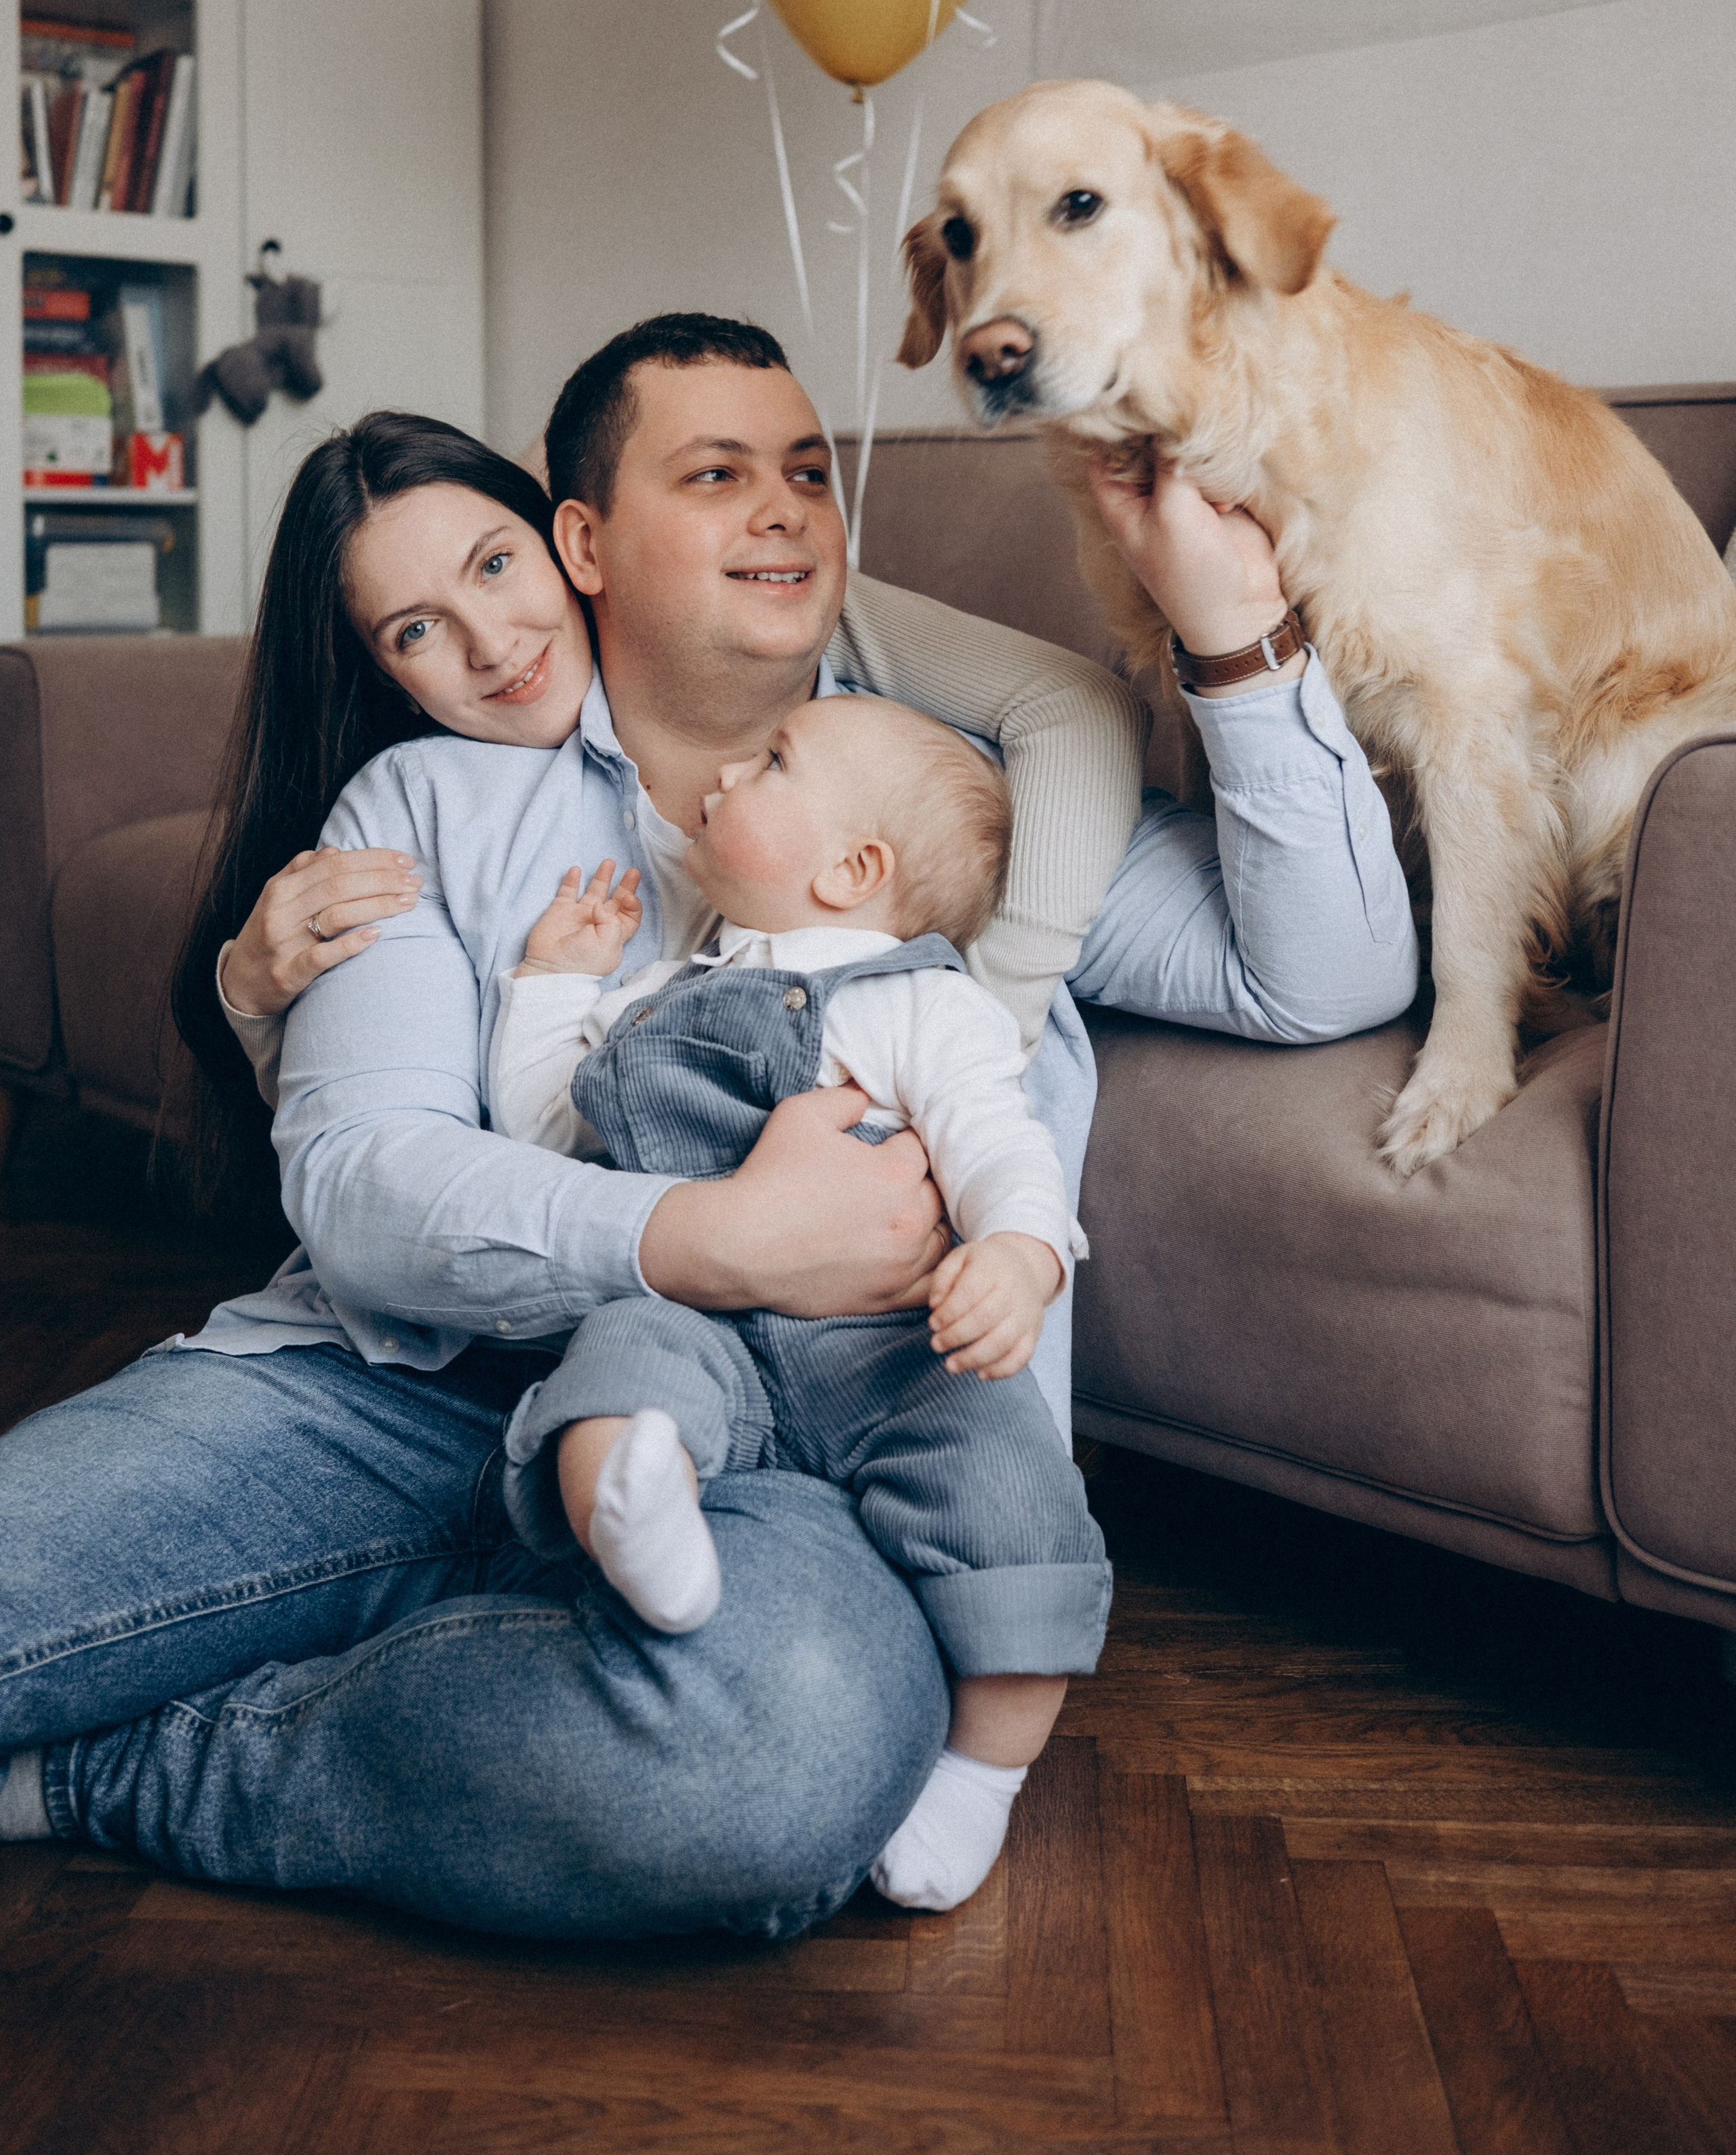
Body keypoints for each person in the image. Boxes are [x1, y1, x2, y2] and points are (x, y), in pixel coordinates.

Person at [0, 311, 1417, 1939]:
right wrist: (712, 1237)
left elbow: (1325, 979)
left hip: (790, 1464)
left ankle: (148, 1764)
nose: (784, 508)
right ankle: (440, 1653)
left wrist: (1235, 638)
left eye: (807, 471)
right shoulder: (428, 802)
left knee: (764, 1760)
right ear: (582, 539)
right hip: (387, 1393)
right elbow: (359, 1177)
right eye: (719, 472)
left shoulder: (942, 816)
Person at [490, 693, 1110, 1916]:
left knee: (1016, 1490)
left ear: (852, 871)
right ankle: (636, 1506)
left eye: (772, 761)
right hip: (705, 1318)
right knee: (622, 1365)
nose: (728, 764)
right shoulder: (658, 994)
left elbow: (1000, 1141)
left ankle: (983, 1776)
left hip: (881, 1349)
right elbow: (545, 1134)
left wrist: (1021, 1257)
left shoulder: (917, 1002)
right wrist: (553, 989)